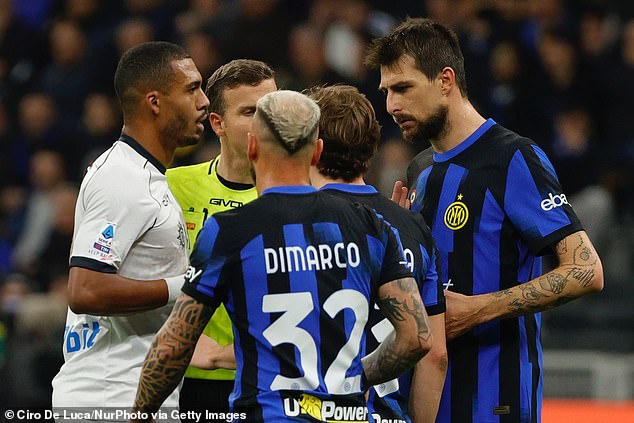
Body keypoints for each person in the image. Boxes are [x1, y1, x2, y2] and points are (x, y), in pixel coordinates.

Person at [132, 90, 432, 422]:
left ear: (252, 147)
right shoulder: (370, 226)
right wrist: (358, 375)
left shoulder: (230, 231)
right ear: (317, 151)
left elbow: (173, 348)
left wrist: (138, 415)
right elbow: (416, 338)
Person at [365, 18, 604, 423]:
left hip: (497, 401)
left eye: (403, 88)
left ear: (445, 80)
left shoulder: (513, 159)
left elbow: (587, 270)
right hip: (429, 402)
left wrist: (478, 309)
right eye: (386, 92)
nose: (391, 106)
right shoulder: (420, 171)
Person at [51, 41, 209, 410]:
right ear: (155, 102)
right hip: (109, 394)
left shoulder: (147, 177)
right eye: (191, 89)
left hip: (135, 394)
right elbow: (85, 290)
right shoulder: (121, 177)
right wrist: (185, 286)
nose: (204, 102)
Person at [306, 84, 447, 423]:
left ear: (311, 146)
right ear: (372, 147)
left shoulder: (298, 223)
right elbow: (435, 354)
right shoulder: (414, 228)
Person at [166, 59, 277, 417]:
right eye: (249, 112)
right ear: (218, 123)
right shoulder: (173, 187)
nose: (265, 122)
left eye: (271, 109)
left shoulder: (299, 197)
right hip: (187, 377)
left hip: (267, 381)